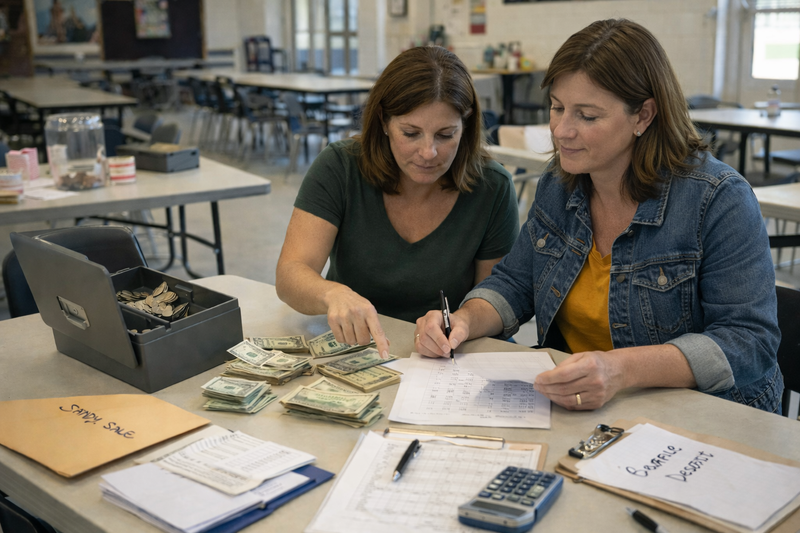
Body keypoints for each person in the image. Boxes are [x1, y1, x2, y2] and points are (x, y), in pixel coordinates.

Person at [414, 19, 783, 413]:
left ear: (643, 116)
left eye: (587, 116)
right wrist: (465, 320)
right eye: (556, 108)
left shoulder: (717, 200)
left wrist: (619, 369)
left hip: (704, 415)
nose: (562, 130)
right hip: (586, 406)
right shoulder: (561, 185)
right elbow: (515, 283)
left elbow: (748, 341)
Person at [275, 46, 520, 359]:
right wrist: (331, 293)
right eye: (411, 133)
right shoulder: (340, 166)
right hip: (356, 349)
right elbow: (290, 273)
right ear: (384, 121)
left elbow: (495, 296)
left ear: (467, 126)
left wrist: (461, 322)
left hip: (448, 356)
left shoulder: (492, 185)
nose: (428, 152)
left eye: (446, 135)